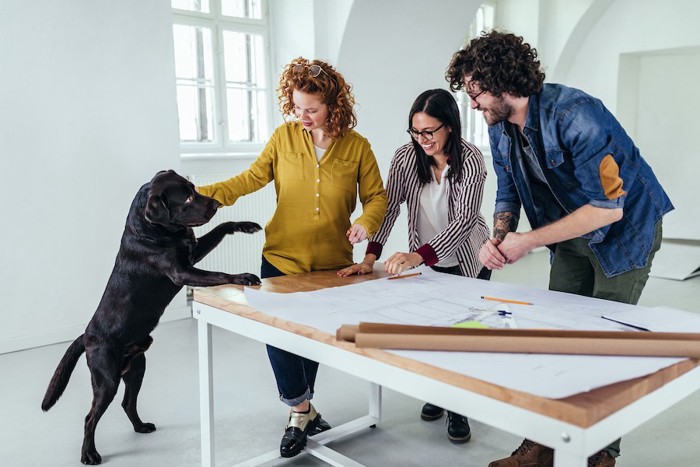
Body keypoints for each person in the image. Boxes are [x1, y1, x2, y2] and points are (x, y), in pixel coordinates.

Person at [446, 31, 673, 467]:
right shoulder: (499, 126)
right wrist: (499, 236)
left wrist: (527, 242)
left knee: (605, 346)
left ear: (503, 82)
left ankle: (599, 453)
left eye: (476, 92)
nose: (472, 104)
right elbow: (508, 190)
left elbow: (609, 209)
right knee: (554, 337)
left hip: (626, 234)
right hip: (568, 234)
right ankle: (543, 443)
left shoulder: (577, 115)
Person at [197, 57, 388, 459]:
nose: (302, 115)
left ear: (333, 106)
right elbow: (250, 179)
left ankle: (302, 412)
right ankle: (300, 409)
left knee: (311, 341)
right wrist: (204, 196)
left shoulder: (358, 147)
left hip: (331, 266)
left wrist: (365, 223)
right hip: (280, 258)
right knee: (279, 336)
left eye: (312, 109)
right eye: (297, 106)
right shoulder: (283, 138)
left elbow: (377, 198)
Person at [338, 88, 491, 444]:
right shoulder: (406, 157)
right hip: (427, 261)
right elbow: (389, 209)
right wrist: (371, 257)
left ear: (449, 127)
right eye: (415, 132)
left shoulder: (470, 160)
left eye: (429, 132)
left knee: (461, 335)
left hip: (468, 258)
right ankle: (439, 393)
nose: (422, 140)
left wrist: (416, 256)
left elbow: (465, 220)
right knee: (432, 331)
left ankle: (459, 407)